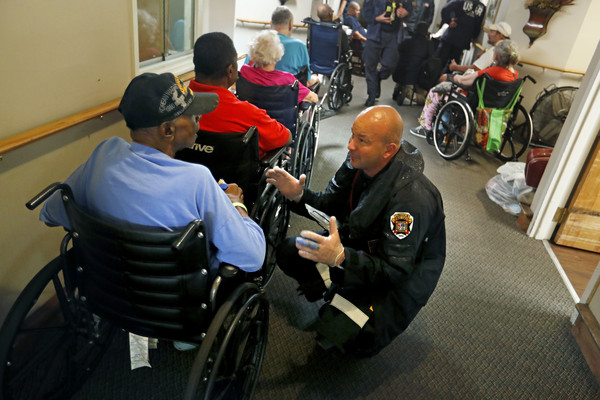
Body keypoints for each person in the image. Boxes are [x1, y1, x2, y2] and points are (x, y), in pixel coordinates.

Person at [40, 72, 266, 277]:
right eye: (192, 114)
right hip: (175, 302)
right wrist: (237, 206)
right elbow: (252, 257)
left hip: (106, 288)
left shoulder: (104, 154)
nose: (199, 119)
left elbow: (51, 213)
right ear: (168, 130)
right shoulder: (197, 180)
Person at [265, 106, 446, 357]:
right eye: (352, 135)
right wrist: (298, 195)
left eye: (362, 140)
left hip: (399, 279)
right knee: (289, 251)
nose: (350, 145)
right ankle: (334, 291)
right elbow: (330, 206)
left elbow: (395, 271)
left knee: (339, 338)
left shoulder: (410, 201)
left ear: (389, 150)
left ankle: (352, 309)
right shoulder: (359, 162)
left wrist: (341, 259)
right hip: (364, 251)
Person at [190, 32, 292, 159]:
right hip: (235, 177)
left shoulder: (175, 104)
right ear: (230, 70)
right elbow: (286, 138)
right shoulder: (247, 114)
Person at [412, 39, 520, 140]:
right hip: (495, 104)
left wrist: (453, 77)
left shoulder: (490, 72)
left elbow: (464, 81)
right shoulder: (515, 76)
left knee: (435, 91)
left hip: (472, 101)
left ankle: (425, 126)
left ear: (496, 56)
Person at [241, 30, 318, 104]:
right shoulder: (287, 79)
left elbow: (248, 65)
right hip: (280, 117)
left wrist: (254, 57)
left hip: (252, 115)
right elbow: (314, 98)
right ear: (278, 55)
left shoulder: (245, 71)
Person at [362, 0, 413, 107]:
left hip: (393, 36)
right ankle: (371, 96)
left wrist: (406, 12)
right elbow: (365, 13)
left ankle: (379, 77)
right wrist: (376, 18)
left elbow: (411, 9)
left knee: (390, 65)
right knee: (370, 66)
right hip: (375, 33)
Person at [270, 6, 319, 88]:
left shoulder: (258, 45)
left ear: (270, 24)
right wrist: (315, 78)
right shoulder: (300, 46)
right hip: (288, 97)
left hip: (258, 96)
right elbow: (307, 81)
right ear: (290, 24)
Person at [435, 0, 486, 74]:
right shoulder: (482, 7)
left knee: (439, 62)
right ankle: (443, 83)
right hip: (462, 41)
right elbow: (478, 25)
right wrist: (473, 36)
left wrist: (449, 21)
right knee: (452, 66)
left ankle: (431, 82)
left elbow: (445, 8)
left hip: (451, 37)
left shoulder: (461, 1)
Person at [445, 21, 511, 76]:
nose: (488, 34)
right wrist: (485, 51)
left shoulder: (494, 51)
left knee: (444, 77)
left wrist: (455, 67)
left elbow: (474, 68)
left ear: (500, 35)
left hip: (477, 85)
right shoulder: (505, 50)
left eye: (491, 32)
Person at [391, 21, 432, 105]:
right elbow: (430, 59)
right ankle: (427, 101)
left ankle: (397, 90)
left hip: (398, 72)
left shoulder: (407, 41)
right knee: (414, 93)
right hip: (413, 76)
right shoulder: (428, 45)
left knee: (402, 75)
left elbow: (398, 50)